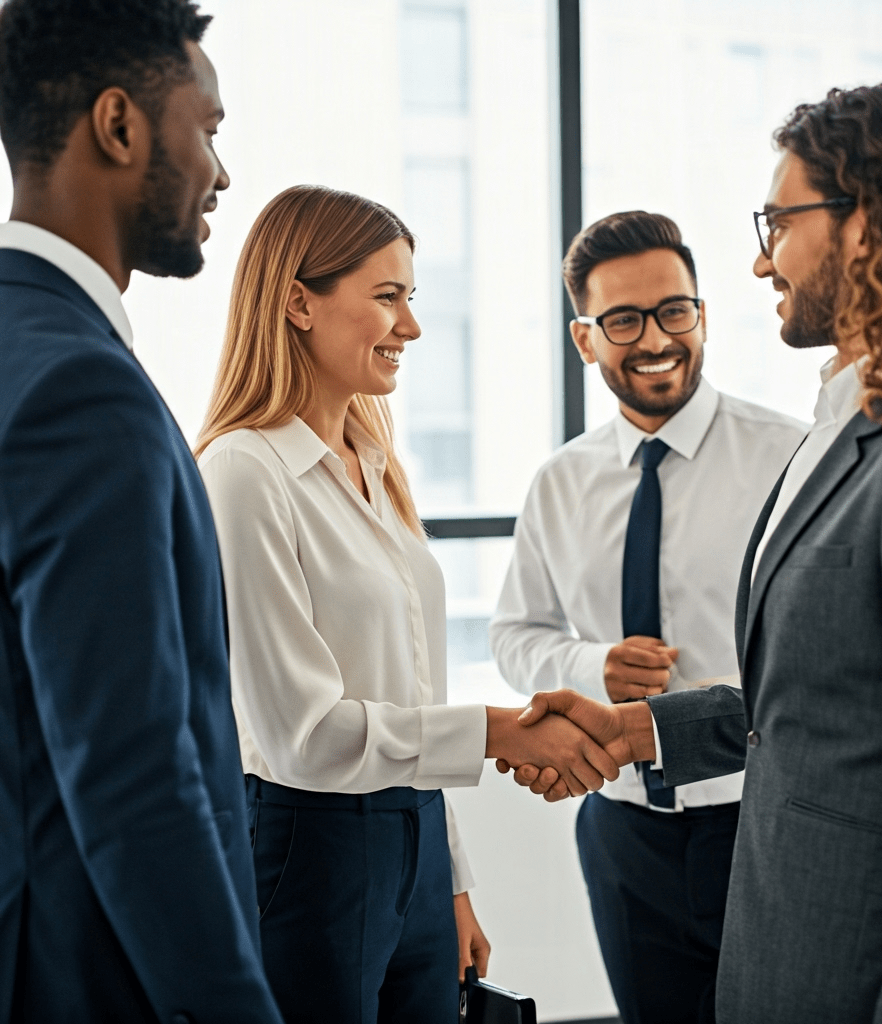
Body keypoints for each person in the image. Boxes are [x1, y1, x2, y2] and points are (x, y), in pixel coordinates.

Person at [508, 81, 882, 1023]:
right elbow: (825, 699)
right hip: (779, 939)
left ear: (864, 226)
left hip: (857, 973)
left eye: (779, 222)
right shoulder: (846, 428)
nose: (759, 260)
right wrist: (642, 730)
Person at [194, 184, 619, 1024]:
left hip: (415, 844)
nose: (412, 327)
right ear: (296, 303)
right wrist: (499, 729)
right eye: (387, 298)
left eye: (411, 298)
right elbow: (304, 738)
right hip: (309, 848)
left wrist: (453, 881)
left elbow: (411, 689)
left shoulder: (373, 461)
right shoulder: (245, 473)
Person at [0, 1, 285, 1021]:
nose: (219, 170)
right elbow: (131, 772)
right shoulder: (84, 388)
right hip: (82, 974)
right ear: (119, 127)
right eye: (205, 129)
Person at [489, 210, 804, 1024]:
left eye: (674, 310)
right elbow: (515, 634)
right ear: (584, 338)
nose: (655, 337)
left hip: (766, 824)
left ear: (701, 314)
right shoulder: (560, 481)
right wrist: (590, 666)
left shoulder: (791, 456)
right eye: (623, 320)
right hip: (624, 833)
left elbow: (814, 654)